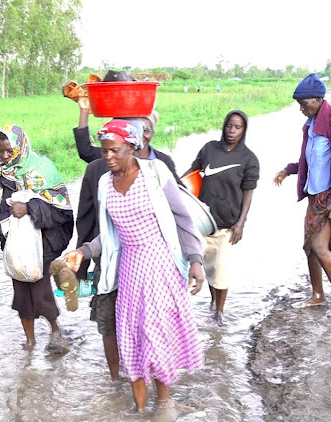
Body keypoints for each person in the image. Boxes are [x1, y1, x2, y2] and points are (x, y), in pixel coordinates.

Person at [63, 120, 205, 411]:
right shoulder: (105, 183)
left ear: (131, 146)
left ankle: (163, 404)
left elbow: (182, 218)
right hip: (128, 268)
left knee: (155, 335)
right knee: (130, 337)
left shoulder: (155, 173)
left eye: (114, 151)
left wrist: (195, 260)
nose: (108, 158)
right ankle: (140, 409)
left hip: (159, 264)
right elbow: (109, 232)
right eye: (104, 152)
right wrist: (83, 251)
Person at [71, 92, 182, 381]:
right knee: (109, 323)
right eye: (138, 126)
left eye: (147, 128)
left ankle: (153, 379)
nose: (143, 133)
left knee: (151, 327)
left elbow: (179, 214)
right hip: (109, 260)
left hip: (153, 269)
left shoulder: (161, 167)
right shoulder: (100, 170)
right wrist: (82, 261)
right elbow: (87, 218)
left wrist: (189, 259)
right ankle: (116, 380)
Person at [0, 125, 74, 350]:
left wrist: (30, 207)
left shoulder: (41, 170)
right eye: (2, 151)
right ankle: (29, 341)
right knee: (21, 296)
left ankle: (56, 331)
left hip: (42, 244)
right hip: (13, 245)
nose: (6, 156)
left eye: (10, 151)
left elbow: (61, 209)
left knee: (40, 292)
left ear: (21, 146)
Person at [273, 73, 331, 318]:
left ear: (319, 99)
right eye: (299, 104)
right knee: (309, 247)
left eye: (304, 103)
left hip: (330, 197)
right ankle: (317, 295)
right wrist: (288, 170)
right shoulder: (310, 125)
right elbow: (308, 160)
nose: (301, 108)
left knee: (320, 247)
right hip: (314, 198)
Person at [183, 110, 259, 325]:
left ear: (243, 130)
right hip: (201, 221)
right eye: (229, 125)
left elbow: (248, 192)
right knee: (208, 267)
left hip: (226, 224)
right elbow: (193, 171)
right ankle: (213, 303)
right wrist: (177, 186)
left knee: (221, 270)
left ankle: (219, 312)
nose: (232, 131)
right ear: (224, 126)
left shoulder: (249, 159)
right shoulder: (209, 149)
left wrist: (240, 223)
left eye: (237, 127)